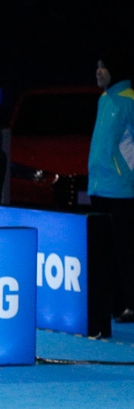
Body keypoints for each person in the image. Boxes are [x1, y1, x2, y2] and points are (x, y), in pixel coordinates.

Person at [88, 47, 134, 323]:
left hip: (122, 190)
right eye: (97, 65)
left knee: (123, 250)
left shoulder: (129, 100)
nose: (98, 71)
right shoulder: (104, 99)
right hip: (99, 187)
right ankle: (115, 304)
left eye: (103, 66)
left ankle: (128, 303)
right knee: (104, 251)